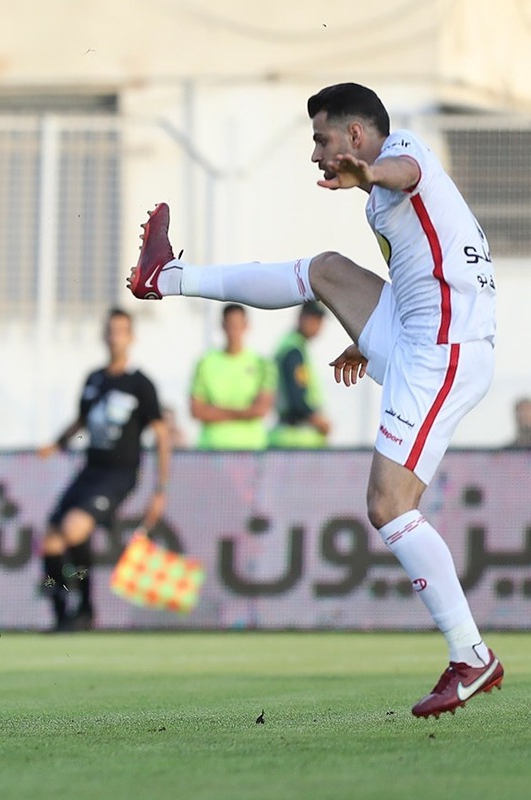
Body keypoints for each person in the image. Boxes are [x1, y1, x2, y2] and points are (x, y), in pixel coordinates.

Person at [127, 83, 502, 718]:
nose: (315, 154)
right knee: (325, 270)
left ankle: (471, 655)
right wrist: (367, 337)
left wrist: (371, 173)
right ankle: (167, 276)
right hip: (417, 333)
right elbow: (424, 271)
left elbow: (404, 171)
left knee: (389, 505)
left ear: (355, 136)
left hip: (444, 351)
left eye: (321, 139)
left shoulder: (403, 155)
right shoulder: (382, 198)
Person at [36, 308, 171, 632]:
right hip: (90, 471)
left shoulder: (140, 384)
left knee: (73, 530)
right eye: (111, 330)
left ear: (131, 337)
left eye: (121, 331)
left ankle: (85, 608)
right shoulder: (94, 379)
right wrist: (57, 443)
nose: (115, 338)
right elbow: (82, 421)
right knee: (51, 542)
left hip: (119, 475)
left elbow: (161, 434)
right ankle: (62, 615)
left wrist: (160, 489)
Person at [189, 304, 276, 450]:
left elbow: (261, 409)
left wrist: (216, 411)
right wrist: (244, 412)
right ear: (223, 326)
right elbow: (197, 410)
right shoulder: (206, 362)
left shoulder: (261, 363)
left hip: (251, 448)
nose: (234, 331)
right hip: (213, 449)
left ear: (246, 326)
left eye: (237, 325)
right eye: (230, 325)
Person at [269, 301, 332, 448]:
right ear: (301, 317)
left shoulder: (296, 346)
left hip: (295, 436)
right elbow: (296, 395)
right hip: (296, 437)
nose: (318, 325)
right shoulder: (293, 350)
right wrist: (316, 419)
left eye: (319, 320)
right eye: (314, 319)